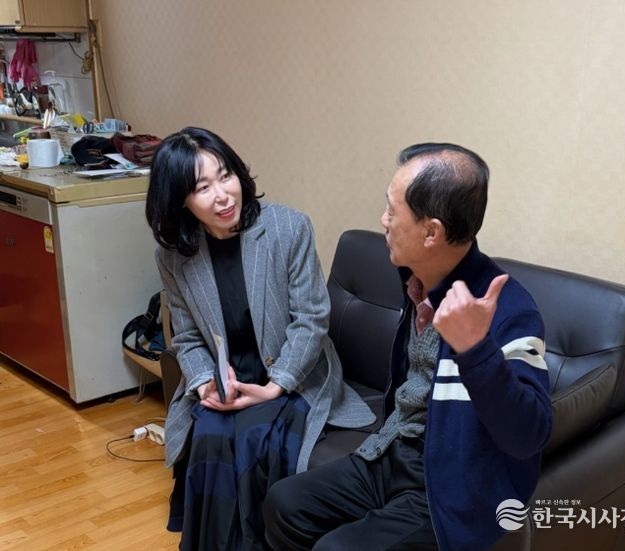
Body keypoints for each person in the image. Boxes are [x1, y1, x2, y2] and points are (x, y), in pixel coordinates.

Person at [263, 143, 553, 551]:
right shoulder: (416, 279)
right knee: (285, 504)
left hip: (454, 485)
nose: (383, 221)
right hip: (394, 450)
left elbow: (529, 435)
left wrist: (475, 350)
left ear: (431, 232)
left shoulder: (508, 310)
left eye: (391, 210)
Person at [145, 127, 375, 551]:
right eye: (202, 188)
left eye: (226, 175)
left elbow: (311, 319)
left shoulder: (288, 228)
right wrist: (204, 382)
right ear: (180, 200)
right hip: (229, 377)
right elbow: (188, 336)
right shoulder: (174, 255)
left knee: (253, 436)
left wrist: (274, 386)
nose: (222, 195)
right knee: (210, 433)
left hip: (292, 372)